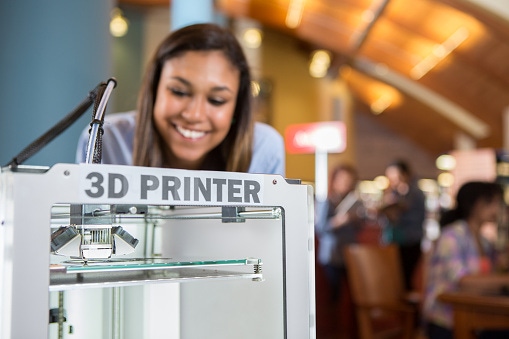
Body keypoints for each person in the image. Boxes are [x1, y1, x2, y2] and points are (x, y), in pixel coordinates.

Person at [76, 23, 284, 176]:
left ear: (237, 107)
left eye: (217, 100)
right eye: (179, 91)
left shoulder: (263, 149)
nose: (194, 114)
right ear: (154, 89)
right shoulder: (106, 141)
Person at [423, 181, 506, 339]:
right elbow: (463, 282)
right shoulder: (452, 236)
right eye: (493, 202)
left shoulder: (485, 241)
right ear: (475, 204)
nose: (498, 208)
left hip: (475, 315)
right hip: (446, 320)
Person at [315, 163, 366, 302]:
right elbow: (320, 228)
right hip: (332, 254)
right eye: (342, 179)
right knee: (332, 294)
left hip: (350, 252)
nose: (345, 183)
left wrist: (355, 219)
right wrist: (337, 222)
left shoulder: (355, 202)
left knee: (352, 294)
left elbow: (360, 227)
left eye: (348, 180)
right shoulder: (327, 201)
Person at [379, 159, 426, 291]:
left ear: (405, 175)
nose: (394, 180)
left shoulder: (416, 194)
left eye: (396, 177)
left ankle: (408, 309)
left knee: (406, 279)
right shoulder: (393, 194)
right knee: (394, 279)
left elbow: (418, 219)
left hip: (410, 241)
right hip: (393, 241)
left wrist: (398, 215)